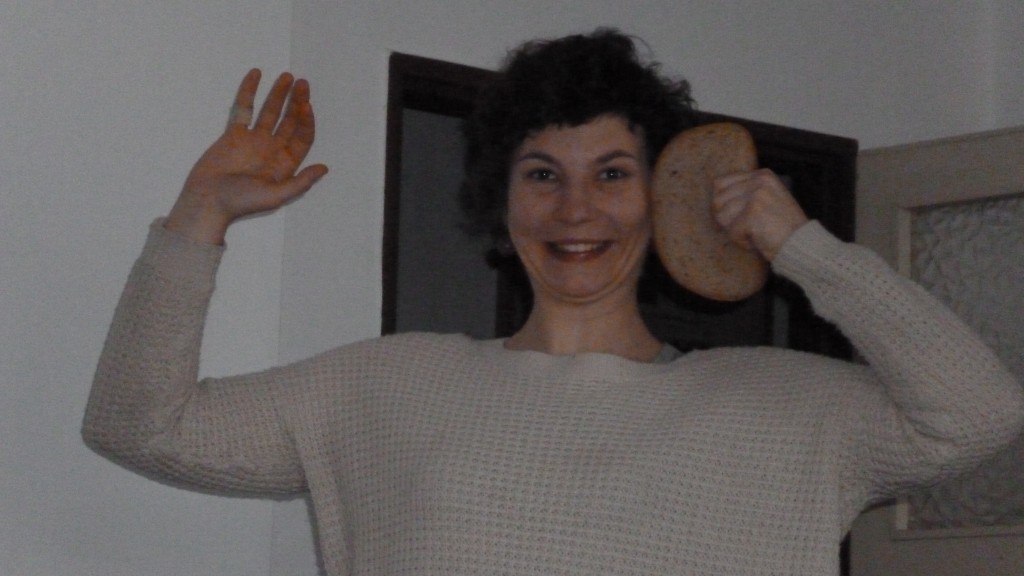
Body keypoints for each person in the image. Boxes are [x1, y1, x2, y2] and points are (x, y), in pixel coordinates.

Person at [83, 29, 1023, 576]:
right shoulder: (384, 389)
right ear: (501, 202)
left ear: (664, 198)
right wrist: (199, 216)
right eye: (543, 174)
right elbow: (140, 424)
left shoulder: (788, 407)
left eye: (612, 174)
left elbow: (979, 411)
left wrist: (804, 249)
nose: (577, 210)